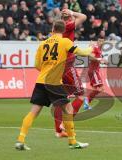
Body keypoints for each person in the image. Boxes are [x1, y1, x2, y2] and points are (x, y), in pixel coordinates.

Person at [15, 20, 93, 150]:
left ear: (52, 29)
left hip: (41, 81)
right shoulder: (65, 42)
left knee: (33, 112)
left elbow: (37, 65)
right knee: (68, 110)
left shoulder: (43, 43)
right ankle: (72, 142)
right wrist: (92, 47)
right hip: (54, 83)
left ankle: (20, 140)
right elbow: (83, 53)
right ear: (63, 31)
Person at [53, 9, 87, 138]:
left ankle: (58, 130)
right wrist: (72, 12)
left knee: (61, 100)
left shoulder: (54, 31)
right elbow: (83, 16)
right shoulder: (68, 25)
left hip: (56, 67)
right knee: (80, 96)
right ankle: (65, 124)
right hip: (67, 65)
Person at [83, 38, 108, 110]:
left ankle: (86, 104)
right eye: (99, 41)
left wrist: (103, 60)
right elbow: (90, 57)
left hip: (94, 71)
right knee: (101, 89)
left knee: (95, 89)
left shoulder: (99, 50)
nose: (101, 42)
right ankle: (86, 100)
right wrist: (99, 60)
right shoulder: (96, 48)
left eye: (102, 41)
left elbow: (98, 59)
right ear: (97, 41)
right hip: (93, 71)